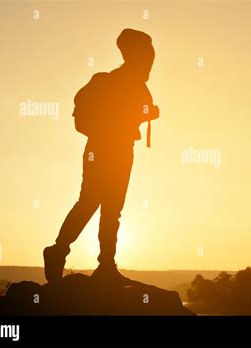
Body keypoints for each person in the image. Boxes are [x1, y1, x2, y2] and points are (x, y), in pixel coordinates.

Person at [43, 28, 159, 282]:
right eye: (148, 59)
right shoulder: (115, 81)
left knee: (111, 208)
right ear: (137, 58)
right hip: (104, 149)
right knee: (91, 202)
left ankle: (105, 265)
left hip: (121, 150)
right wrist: (147, 113)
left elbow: (140, 111)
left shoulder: (136, 85)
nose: (150, 65)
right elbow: (130, 113)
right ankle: (59, 251)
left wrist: (147, 113)